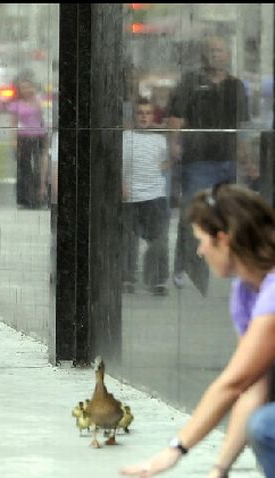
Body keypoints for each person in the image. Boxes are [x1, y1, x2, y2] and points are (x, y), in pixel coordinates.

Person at [120, 183, 275, 477]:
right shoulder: (244, 292)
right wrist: (219, 469)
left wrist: (171, 453)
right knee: (263, 423)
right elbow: (253, 388)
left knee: (266, 426)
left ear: (224, 240)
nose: (199, 251)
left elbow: (232, 383)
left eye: (202, 240)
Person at [168, 34, 255, 295]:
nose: (216, 55)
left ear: (227, 55)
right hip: (197, 160)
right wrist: (174, 144)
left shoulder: (236, 86)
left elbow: (241, 126)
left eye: (220, 50)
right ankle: (185, 266)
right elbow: (176, 117)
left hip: (225, 160)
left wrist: (245, 157)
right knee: (193, 213)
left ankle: (219, 263)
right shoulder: (190, 82)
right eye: (211, 51)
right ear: (204, 55)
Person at [121, 98, 170, 296]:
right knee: (127, 241)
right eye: (140, 112)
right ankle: (126, 278)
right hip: (130, 196)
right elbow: (116, 163)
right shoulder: (125, 138)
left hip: (154, 196)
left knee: (158, 240)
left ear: (153, 117)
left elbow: (167, 162)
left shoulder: (159, 140)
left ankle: (156, 281)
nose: (143, 116)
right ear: (135, 116)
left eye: (148, 113)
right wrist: (122, 183)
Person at [6, 70, 49, 209]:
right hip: (23, 137)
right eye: (23, 87)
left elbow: (44, 117)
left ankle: (40, 197)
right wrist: (14, 141)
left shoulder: (39, 100)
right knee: (24, 169)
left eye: (29, 86)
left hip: (39, 136)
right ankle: (25, 199)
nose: (27, 90)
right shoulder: (16, 104)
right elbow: (13, 123)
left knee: (39, 167)